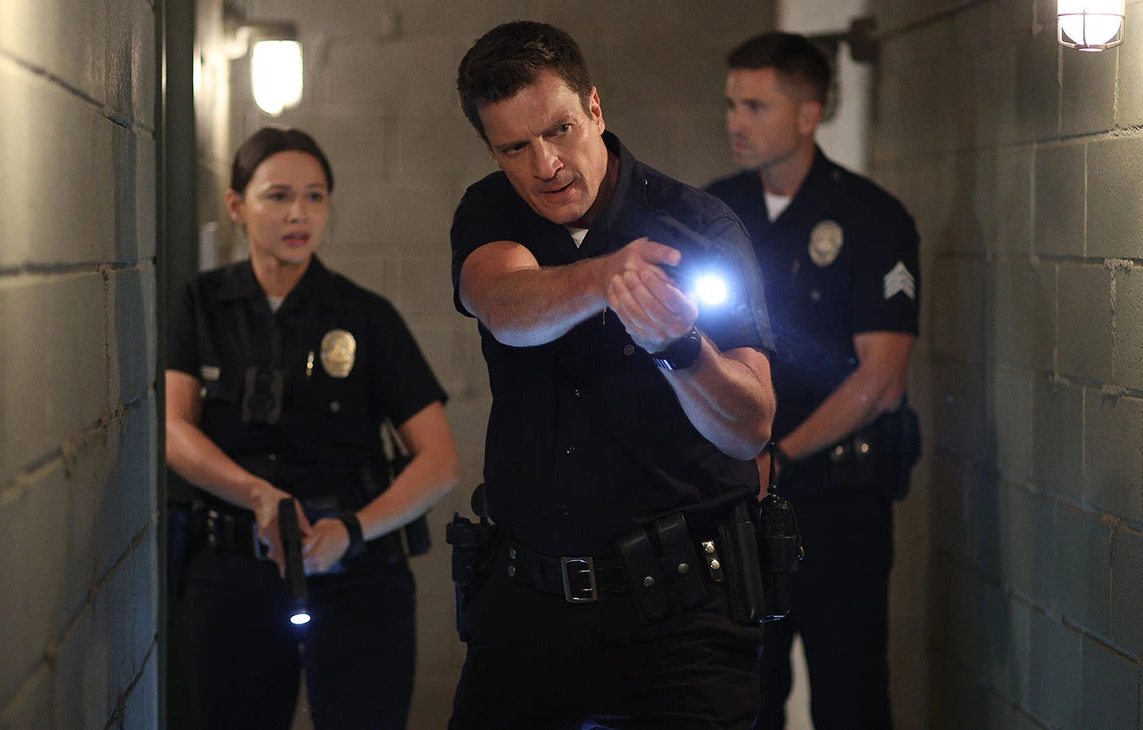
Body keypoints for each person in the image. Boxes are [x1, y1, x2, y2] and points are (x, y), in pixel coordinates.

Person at [446, 21, 777, 730]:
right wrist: (606, 278)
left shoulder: (698, 226)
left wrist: (681, 348)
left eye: (559, 130)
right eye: (515, 148)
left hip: (681, 617)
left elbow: (750, 427)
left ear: (594, 109)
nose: (545, 165)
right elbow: (505, 306)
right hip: (526, 611)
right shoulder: (491, 209)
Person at [164, 127, 460, 730]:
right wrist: (256, 493)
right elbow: (172, 430)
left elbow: (440, 461)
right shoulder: (201, 303)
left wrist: (352, 530)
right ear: (236, 205)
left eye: (315, 196)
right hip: (234, 569)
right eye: (278, 196)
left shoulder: (366, 316)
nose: (299, 213)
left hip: (355, 573)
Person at [705, 32, 922, 730]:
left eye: (756, 106)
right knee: (739, 699)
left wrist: (781, 457)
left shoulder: (871, 218)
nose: (736, 122)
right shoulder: (711, 214)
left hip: (836, 503)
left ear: (808, 114)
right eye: (732, 104)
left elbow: (882, 380)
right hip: (735, 503)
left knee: (848, 697)